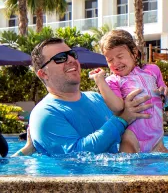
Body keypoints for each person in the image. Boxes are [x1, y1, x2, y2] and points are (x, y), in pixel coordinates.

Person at [20, 37, 152, 156]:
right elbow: (77, 155)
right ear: (43, 73)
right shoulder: (44, 114)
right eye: (60, 58)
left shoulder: (97, 98)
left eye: (72, 54)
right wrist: (123, 119)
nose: (71, 60)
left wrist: (160, 96)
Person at [90, 29, 168, 153]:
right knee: (128, 168)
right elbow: (117, 107)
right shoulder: (113, 81)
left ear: (134, 53)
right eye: (110, 60)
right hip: (132, 137)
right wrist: (100, 81)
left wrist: (167, 96)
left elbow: (166, 101)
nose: (115, 63)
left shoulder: (152, 70)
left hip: (157, 139)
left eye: (119, 56)